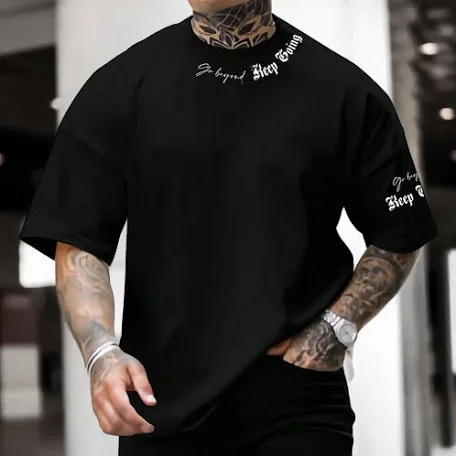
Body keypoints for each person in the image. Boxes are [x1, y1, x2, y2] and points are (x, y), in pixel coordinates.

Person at [20, 1, 439, 455]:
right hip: (161, 402)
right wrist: (101, 353)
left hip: (295, 405)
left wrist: (337, 327)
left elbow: (399, 230)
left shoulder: (343, 91)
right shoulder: (121, 87)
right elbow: (78, 240)